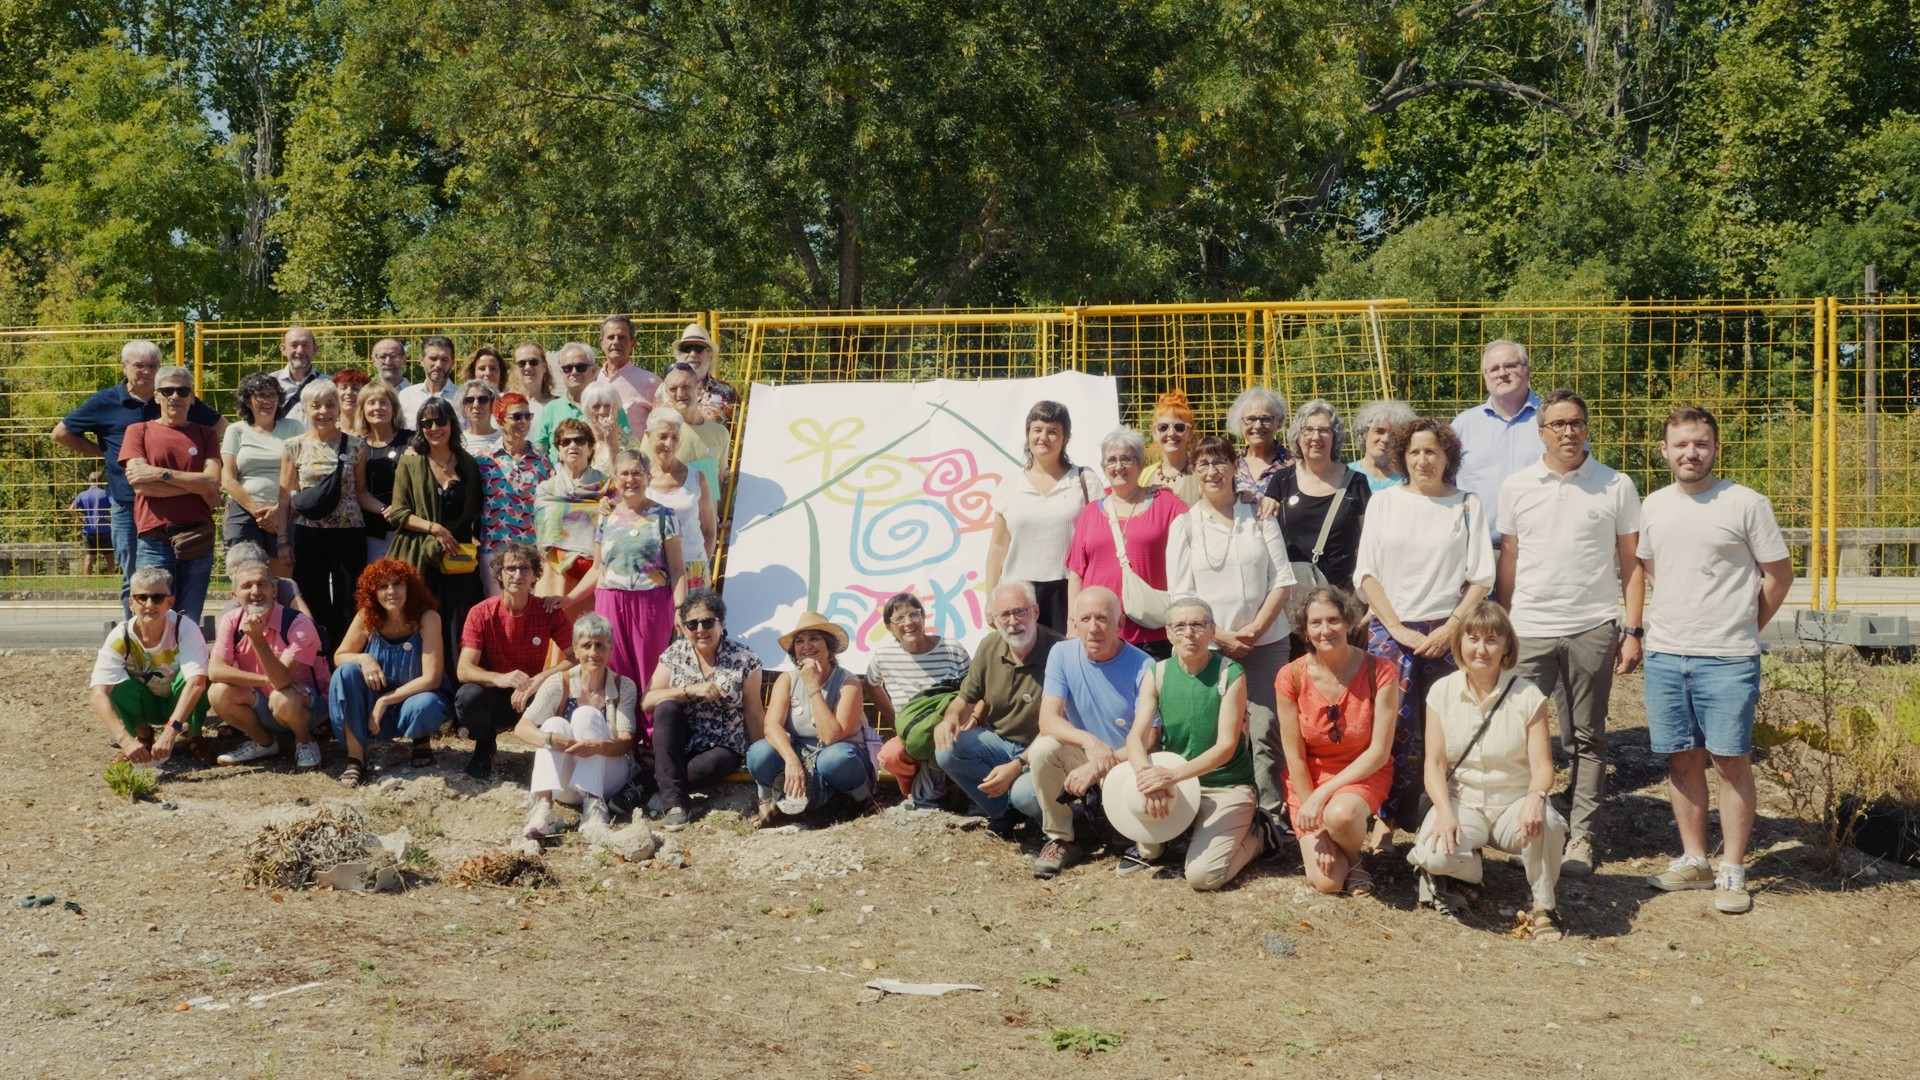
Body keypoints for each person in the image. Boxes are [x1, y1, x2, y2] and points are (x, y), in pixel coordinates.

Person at [1638, 405, 1792, 916]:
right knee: (1680, 759)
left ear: (1715, 448)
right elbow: (1653, 569)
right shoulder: (1654, 505)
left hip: (1728, 658)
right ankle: (1694, 858)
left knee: (1730, 761)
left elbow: (1778, 576)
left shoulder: (1746, 504)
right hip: (1666, 653)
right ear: (1664, 451)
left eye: (1700, 443)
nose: (1690, 452)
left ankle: (1732, 867)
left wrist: (1745, 626)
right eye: (1680, 444)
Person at [1495, 388, 1645, 877]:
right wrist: (1504, 617)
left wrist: (1633, 628)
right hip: (1530, 627)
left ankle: (1582, 836)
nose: (1567, 432)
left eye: (1575, 422)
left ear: (1587, 427)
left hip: (1591, 625)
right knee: (1519, 731)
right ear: (1540, 432)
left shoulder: (1616, 485)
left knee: (1586, 737)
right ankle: (1524, 826)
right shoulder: (1517, 486)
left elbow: (1631, 562)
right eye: (1556, 424)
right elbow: (1510, 558)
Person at [1354, 417, 1494, 841]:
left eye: (1431, 451)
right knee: (1391, 728)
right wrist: (1397, 627)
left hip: (1449, 633)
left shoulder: (1468, 505)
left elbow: (1481, 578)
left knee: (1448, 730)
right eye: (1414, 452)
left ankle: (1444, 818)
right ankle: (1386, 818)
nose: (1422, 460)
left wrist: (1450, 628)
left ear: (1447, 455)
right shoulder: (1385, 503)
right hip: (1391, 631)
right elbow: (1367, 575)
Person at [1408, 599, 1565, 939]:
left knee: (1550, 825)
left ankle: (1543, 906)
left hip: (1513, 805)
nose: (1481, 649)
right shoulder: (1442, 692)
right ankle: (1473, 870)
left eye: (1492, 640)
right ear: (1460, 643)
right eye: (1473, 638)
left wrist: (1536, 798)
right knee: (1432, 854)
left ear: (1506, 645)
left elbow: (1542, 766)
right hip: (1463, 802)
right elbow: (1434, 764)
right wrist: (1444, 811)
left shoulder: (1528, 695)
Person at [1168, 435, 1294, 818]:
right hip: (1209, 645)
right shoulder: (1185, 525)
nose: (1212, 471)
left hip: (1267, 641)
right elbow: (1181, 596)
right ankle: (1214, 807)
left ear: (1234, 466)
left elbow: (1283, 580)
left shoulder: (1258, 514)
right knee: (1214, 730)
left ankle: (1271, 814)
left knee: (1266, 728)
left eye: (1220, 462)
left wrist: (1254, 630)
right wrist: (1220, 636)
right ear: (1193, 471)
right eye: (1203, 464)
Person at [53, 339, 222, 614]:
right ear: (124, 367)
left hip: (178, 512)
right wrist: (103, 453)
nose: (146, 371)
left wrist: (166, 476)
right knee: (136, 577)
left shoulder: (175, 396)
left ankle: (175, 637)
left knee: (177, 581)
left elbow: (222, 428)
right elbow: (61, 433)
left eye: (153, 365)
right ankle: (133, 636)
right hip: (125, 501)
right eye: (139, 365)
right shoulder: (105, 401)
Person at [1118, 596, 1267, 889]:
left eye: (1198, 625)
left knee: (1203, 877)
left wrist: (1170, 776)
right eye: (1180, 626)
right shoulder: (1157, 673)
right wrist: (1147, 776)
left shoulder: (1230, 673)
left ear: (1212, 631)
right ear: (1168, 633)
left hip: (1225, 785)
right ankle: (1181, 834)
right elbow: (1136, 736)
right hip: (1178, 783)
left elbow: (1226, 747)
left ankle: (1259, 837)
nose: (1189, 633)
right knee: (1150, 850)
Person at [1276, 586, 1398, 895]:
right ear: (1304, 630)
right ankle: (1337, 839)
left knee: (1340, 815)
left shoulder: (1380, 671)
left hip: (1362, 772)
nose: (1325, 630)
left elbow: (1379, 752)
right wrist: (1316, 823)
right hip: (1309, 778)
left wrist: (1323, 797)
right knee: (1328, 883)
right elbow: (1295, 756)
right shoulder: (1290, 676)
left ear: (1348, 622)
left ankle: (1355, 859)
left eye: (1333, 620)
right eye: (1315, 623)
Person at [1029, 587, 1154, 877]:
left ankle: (1125, 832)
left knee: (1151, 845)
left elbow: (1151, 737)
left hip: (1128, 761)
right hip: (1085, 756)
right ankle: (1062, 838)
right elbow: (1048, 720)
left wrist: (1100, 765)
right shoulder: (1061, 653)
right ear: (1073, 624)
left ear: (1120, 624)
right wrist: (1089, 742)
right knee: (1041, 753)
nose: (1094, 628)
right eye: (1085, 619)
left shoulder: (1143, 665)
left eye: (1102, 619)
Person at [933, 582, 1062, 835]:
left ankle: (1049, 822)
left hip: (1042, 749)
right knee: (947, 749)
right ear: (994, 619)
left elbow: (1059, 724)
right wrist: (948, 718)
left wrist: (1017, 765)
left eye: (1020, 612)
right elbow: (965, 698)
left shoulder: (1059, 651)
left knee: (1025, 795)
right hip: (1000, 743)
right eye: (1004, 614)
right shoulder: (989, 646)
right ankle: (1003, 813)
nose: (1013, 621)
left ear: (1035, 611)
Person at [564, 449, 685, 708]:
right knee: (613, 668)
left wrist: (679, 609)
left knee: (650, 669)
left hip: (651, 604)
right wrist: (567, 599)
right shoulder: (606, 517)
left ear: (648, 476)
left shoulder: (666, 516)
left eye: (637, 473)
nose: (631, 479)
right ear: (615, 478)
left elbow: (677, 570)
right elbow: (598, 569)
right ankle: (617, 731)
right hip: (610, 602)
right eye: (624, 474)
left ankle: (648, 737)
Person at [644, 588, 765, 827]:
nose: (700, 630)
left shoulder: (745, 659)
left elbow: (753, 712)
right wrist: (689, 691)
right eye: (692, 624)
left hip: (723, 745)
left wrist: (761, 762)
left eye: (708, 622)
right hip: (682, 741)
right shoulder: (674, 654)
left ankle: (645, 784)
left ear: (721, 623)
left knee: (710, 765)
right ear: (684, 628)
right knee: (665, 707)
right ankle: (676, 805)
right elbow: (647, 701)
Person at [514, 613, 641, 840]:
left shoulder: (624, 686)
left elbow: (625, 741)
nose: (593, 653)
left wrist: (598, 747)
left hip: (607, 777)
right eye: (586, 646)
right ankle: (542, 809)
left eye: (600, 646)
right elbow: (522, 728)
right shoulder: (558, 682)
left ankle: (594, 809)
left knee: (586, 715)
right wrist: (553, 739)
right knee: (552, 724)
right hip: (566, 783)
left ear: (610, 648)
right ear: (575, 648)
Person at [455, 541, 576, 780]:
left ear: (535, 575)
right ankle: (485, 745)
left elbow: (577, 657)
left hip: (531, 693)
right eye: (510, 568)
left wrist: (541, 678)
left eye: (524, 568)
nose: (517, 575)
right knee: (468, 696)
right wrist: (500, 678)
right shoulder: (480, 612)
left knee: (561, 689)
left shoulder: (547, 610)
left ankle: (552, 756)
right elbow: (463, 669)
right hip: (494, 692)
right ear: (499, 573)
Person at [279, 378, 382, 653]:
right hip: (308, 533)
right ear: (305, 409)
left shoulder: (356, 446)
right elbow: (286, 498)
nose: (323, 411)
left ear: (339, 409)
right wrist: (282, 541)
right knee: (313, 598)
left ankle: (347, 654)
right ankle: (317, 656)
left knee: (350, 600)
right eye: (316, 406)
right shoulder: (293, 447)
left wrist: (387, 509)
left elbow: (360, 493)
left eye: (329, 405)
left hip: (349, 532)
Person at [384, 396, 484, 679]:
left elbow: (475, 509)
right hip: (419, 556)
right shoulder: (411, 462)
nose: (434, 427)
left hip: (457, 558)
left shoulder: (467, 463)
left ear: (452, 423)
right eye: (426, 422)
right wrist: (434, 528)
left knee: (455, 624)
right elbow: (398, 513)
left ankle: (454, 690)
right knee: (420, 622)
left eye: (440, 420)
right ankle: (422, 687)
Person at [1065, 428, 1186, 658]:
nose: (1118, 466)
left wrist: (1242, 498)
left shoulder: (1166, 504)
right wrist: (1073, 622)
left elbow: (1200, 524)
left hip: (1152, 631)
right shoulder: (1091, 512)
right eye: (1111, 460)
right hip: (1099, 632)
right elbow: (1076, 573)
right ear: (1103, 467)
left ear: (1140, 465)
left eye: (1126, 459)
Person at [328, 559, 447, 785]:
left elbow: (432, 678)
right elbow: (339, 656)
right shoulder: (367, 616)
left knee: (426, 704)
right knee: (345, 673)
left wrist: (384, 701)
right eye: (383, 587)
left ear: (409, 587)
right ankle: (355, 759)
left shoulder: (428, 618)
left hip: (409, 699)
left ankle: (420, 741)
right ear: (373, 592)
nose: (391, 592)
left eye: (397, 584)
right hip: (371, 702)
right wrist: (364, 658)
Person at [206, 548, 329, 769]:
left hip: (307, 705)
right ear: (234, 596)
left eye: (262, 584)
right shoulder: (231, 620)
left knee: (282, 697)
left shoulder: (297, 623)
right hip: (263, 698)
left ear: (274, 590)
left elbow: (282, 682)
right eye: (246, 586)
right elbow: (215, 671)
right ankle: (264, 743)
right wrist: (263, 681)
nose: (255, 591)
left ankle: (305, 741)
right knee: (218, 692)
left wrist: (257, 640)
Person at [748, 613, 873, 825]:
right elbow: (771, 726)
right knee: (759, 752)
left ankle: (861, 801)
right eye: (799, 641)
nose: (806, 646)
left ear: (829, 646)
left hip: (836, 757)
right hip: (799, 757)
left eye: (814, 638)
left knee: (835, 759)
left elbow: (831, 736)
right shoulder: (787, 679)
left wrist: (813, 687)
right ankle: (768, 801)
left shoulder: (849, 682)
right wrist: (791, 760)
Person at [985, 400, 1098, 633]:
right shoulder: (1010, 485)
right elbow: (997, 548)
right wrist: (990, 598)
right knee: (1024, 666)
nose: (1043, 437)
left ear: (1065, 438)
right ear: (1028, 434)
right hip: (1018, 594)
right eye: (1037, 430)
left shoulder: (1084, 481)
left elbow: (1099, 540)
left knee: (1067, 663)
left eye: (1052, 431)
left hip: (1069, 591)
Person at [121, 365, 222, 623]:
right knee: (152, 615)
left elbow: (212, 481)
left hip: (197, 537)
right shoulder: (138, 431)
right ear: (156, 396)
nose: (174, 396)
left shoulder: (205, 434)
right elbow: (141, 485)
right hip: (154, 538)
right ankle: (153, 663)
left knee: (188, 618)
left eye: (182, 390)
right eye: (167, 391)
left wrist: (159, 474)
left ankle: (184, 664)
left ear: (192, 396)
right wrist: (195, 484)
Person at [89, 566, 209, 765]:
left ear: (170, 602)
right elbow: (97, 694)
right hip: (146, 702)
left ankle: (194, 736)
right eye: (141, 598)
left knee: (198, 677)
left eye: (157, 598)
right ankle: (142, 736)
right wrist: (124, 741)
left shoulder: (184, 628)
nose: (149, 604)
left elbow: (196, 683)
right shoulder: (121, 636)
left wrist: (170, 732)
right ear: (131, 603)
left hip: (175, 699)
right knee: (115, 686)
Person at [868, 591, 972, 808]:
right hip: (911, 733)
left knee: (946, 744)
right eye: (899, 619)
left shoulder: (952, 649)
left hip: (952, 728)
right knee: (890, 755)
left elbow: (973, 690)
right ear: (889, 627)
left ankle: (945, 794)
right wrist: (895, 719)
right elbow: (872, 684)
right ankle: (918, 793)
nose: (908, 623)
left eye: (914, 615)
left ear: (924, 617)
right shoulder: (883, 655)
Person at [1264, 399, 1371, 595]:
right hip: (1293, 597)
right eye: (1308, 429)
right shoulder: (1281, 480)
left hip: (1342, 598)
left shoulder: (1357, 483)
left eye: (1324, 430)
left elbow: (1371, 542)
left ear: (1335, 436)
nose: (1316, 436)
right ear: (1297, 436)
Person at [1450, 339, 1543, 541]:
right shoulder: (1463, 425)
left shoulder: (1554, 419)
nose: (1502, 373)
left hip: (1540, 546)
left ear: (1527, 370)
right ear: (1485, 376)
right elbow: (1443, 483)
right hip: (1477, 548)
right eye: (1493, 369)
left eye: (1510, 365)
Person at [222, 373, 302, 569]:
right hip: (244, 509)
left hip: (285, 511)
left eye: (272, 395)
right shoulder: (236, 430)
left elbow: (302, 472)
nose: (267, 401)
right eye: (260, 396)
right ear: (248, 401)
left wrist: (278, 511)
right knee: (246, 574)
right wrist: (259, 513)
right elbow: (228, 479)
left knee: (282, 581)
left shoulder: (295, 427)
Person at [476, 391, 552, 597]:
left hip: (530, 551)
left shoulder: (542, 460)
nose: (524, 421)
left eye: (528, 416)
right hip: (493, 549)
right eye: (517, 416)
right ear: (500, 420)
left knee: (528, 613)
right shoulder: (484, 460)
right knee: (497, 612)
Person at [644, 410, 717, 590]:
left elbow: (709, 530)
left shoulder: (697, 478)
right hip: (652, 571)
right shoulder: (637, 479)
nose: (669, 444)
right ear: (648, 436)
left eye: (675, 438)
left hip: (692, 567)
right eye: (663, 436)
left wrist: (701, 566)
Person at [534, 418, 607, 597]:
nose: (572, 445)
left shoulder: (607, 486)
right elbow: (544, 535)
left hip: (593, 573)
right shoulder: (546, 490)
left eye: (580, 440)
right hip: (555, 571)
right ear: (558, 451)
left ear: (590, 448)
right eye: (565, 442)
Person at [532, 342, 630, 457]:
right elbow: (538, 452)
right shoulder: (551, 410)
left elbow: (627, 447)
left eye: (580, 367)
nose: (574, 372)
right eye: (567, 368)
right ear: (561, 373)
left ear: (593, 371)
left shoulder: (610, 406)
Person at [655, 362, 733, 500]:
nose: (680, 394)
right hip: (670, 518)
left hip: (710, 519)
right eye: (673, 389)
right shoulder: (656, 433)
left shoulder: (720, 433)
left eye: (686, 386)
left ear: (699, 389)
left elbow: (721, 479)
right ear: (666, 393)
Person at [358, 382, 411, 562]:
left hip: (409, 528)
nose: (377, 408)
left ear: (393, 409)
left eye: (383, 403)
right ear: (363, 409)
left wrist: (401, 511)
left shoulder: (412, 440)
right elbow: (359, 491)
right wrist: (385, 510)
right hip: (374, 531)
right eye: (371, 402)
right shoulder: (357, 446)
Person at [595, 315, 659, 436]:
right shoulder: (592, 380)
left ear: (632, 343)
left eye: (622, 337)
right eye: (610, 337)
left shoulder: (651, 382)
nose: (616, 342)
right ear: (601, 343)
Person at [1139, 388, 1202, 507]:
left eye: (1179, 427)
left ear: (1189, 433)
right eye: (1163, 427)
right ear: (1154, 433)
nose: (1171, 433)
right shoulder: (1144, 476)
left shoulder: (1201, 473)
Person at [1226, 387, 1290, 500]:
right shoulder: (1231, 464)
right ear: (1240, 422)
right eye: (1251, 419)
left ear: (1279, 422)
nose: (1257, 426)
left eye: (1265, 419)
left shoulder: (1293, 464)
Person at [671, 322, 738, 422]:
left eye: (699, 349)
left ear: (710, 354)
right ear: (679, 355)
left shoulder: (727, 392)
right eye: (687, 349)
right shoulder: (666, 390)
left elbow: (737, 431)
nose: (693, 354)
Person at [398, 335, 462, 429]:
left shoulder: (463, 397)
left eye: (444, 359)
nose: (438, 365)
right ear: (421, 360)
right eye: (433, 358)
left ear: (452, 363)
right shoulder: (406, 396)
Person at [1351, 399, 1416, 491]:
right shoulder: (1345, 475)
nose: (1386, 439)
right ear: (1365, 433)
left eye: (1393, 434)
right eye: (1379, 431)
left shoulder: (1409, 480)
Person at [271, 325, 322, 426]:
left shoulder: (329, 384)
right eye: (294, 345)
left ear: (315, 349)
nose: (300, 350)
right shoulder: (270, 383)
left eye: (305, 345)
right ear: (283, 349)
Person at [71, 471, 112, 576]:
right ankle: (110, 577)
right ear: (101, 481)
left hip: (89, 529)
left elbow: (71, 509)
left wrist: (79, 519)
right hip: (105, 528)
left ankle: (87, 579)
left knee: (89, 556)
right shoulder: (106, 493)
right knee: (109, 557)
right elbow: (115, 507)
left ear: (89, 481)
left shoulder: (82, 495)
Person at [581, 381, 627, 474]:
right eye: (596, 406)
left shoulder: (627, 440)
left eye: (607, 406)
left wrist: (613, 444)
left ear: (616, 409)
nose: (602, 412)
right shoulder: (578, 439)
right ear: (587, 410)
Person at [459, 379, 503, 458]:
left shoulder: (503, 440)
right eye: (470, 400)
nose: (476, 405)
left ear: (493, 404)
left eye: (483, 399)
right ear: (464, 406)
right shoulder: (457, 441)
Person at [512, 341, 558, 410]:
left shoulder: (558, 405)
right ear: (515, 368)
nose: (527, 367)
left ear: (544, 367)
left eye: (533, 362)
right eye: (522, 363)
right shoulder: (505, 404)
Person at [333, 369, 370, 438]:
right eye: (343, 388)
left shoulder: (373, 430)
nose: (349, 392)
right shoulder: (328, 429)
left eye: (355, 388)